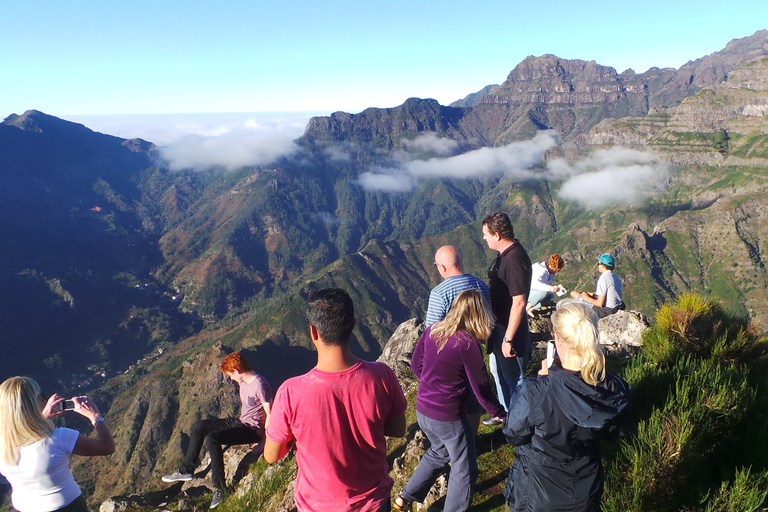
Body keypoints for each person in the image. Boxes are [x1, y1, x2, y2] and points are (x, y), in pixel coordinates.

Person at [264, 288, 407, 512]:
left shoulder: (291, 392)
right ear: (353, 324)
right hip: (374, 501)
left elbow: (272, 456)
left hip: (317, 505)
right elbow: (398, 429)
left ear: (313, 332)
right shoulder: (382, 376)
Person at [502, 302, 632, 511]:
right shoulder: (613, 390)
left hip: (536, 494)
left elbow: (513, 434)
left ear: (558, 339)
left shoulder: (535, 391)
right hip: (585, 492)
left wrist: (542, 381)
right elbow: (615, 433)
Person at [394, 289, 505, 512]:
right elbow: (481, 386)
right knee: (465, 469)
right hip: (448, 416)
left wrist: (432, 386)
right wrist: (498, 413)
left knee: (438, 452)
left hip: (423, 410)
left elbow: (416, 366)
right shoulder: (467, 344)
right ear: (478, 314)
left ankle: (404, 498)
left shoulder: (433, 330)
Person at [162, 351, 272, 510]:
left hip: (252, 430)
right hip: (240, 422)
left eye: (230, 375)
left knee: (213, 438)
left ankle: (219, 489)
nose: (230, 378)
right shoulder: (243, 382)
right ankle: (186, 470)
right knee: (199, 426)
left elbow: (271, 413)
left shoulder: (261, 385)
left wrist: (264, 440)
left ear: (237, 371)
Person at [0, 377, 115, 512]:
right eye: (41, 397)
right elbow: (107, 447)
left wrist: (42, 419)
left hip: (22, 508)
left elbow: (26, 438)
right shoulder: (59, 438)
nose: (45, 400)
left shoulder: (4, 443)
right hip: (68, 507)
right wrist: (95, 416)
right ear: (32, 405)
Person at [425, 245, 492, 434]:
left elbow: (431, 331)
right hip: (475, 351)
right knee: (472, 398)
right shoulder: (480, 285)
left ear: (442, 267)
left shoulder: (440, 293)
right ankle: (472, 437)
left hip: (449, 357)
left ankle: (455, 441)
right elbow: (488, 317)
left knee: (452, 400)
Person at [481, 212, 532, 425]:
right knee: (497, 372)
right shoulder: (504, 255)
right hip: (498, 327)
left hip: (509, 332)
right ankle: (505, 416)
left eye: (486, 234)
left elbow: (519, 302)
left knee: (515, 380)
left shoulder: (515, 259)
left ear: (498, 235)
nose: (484, 238)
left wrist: (508, 339)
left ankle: (520, 423)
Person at [570, 253, 624, 318]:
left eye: (598, 264)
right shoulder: (614, 276)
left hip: (606, 311)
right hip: (617, 306)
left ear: (603, 265)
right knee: (582, 293)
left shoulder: (603, 278)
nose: (598, 266)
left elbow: (599, 303)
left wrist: (586, 297)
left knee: (574, 294)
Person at [526, 254, 565, 318]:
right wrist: (550, 288)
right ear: (556, 267)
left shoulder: (551, 273)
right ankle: (525, 309)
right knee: (543, 293)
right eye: (558, 270)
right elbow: (534, 284)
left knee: (550, 296)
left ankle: (531, 309)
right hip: (527, 291)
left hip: (534, 292)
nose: (558, 271)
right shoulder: (540, 269)